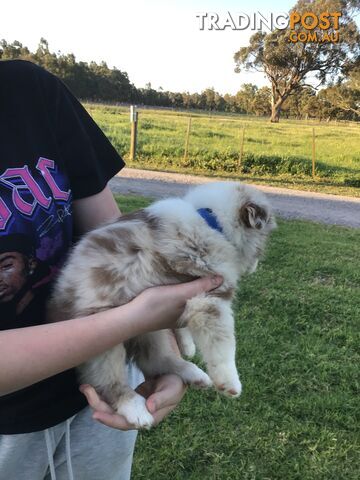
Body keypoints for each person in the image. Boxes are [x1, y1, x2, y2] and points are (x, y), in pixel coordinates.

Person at [0, 59, 222, 480]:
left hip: (99, 403)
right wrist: (131, 321)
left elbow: (114, 245)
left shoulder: (29, 89)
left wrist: (163, 360)